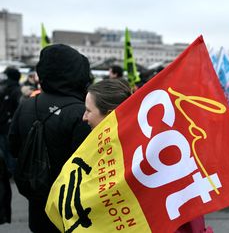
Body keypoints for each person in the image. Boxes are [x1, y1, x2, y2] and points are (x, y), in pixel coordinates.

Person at [82, 79, 212, 233]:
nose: (84, 117)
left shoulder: (135, 157)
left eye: (89, 110)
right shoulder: (151, 145)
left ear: (110, 116)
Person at [8, 44, 92, 233]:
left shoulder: (27, 105)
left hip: (36, 199)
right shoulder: (82, 113)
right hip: (71, 208)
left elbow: (14, 147)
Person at [0, 67, 22, 224]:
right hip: (10, 128)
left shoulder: (6, 89)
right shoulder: (16, 90)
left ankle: (11, 172)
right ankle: (13, 173)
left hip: (4, 128)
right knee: (10, 154)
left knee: (7, 154)